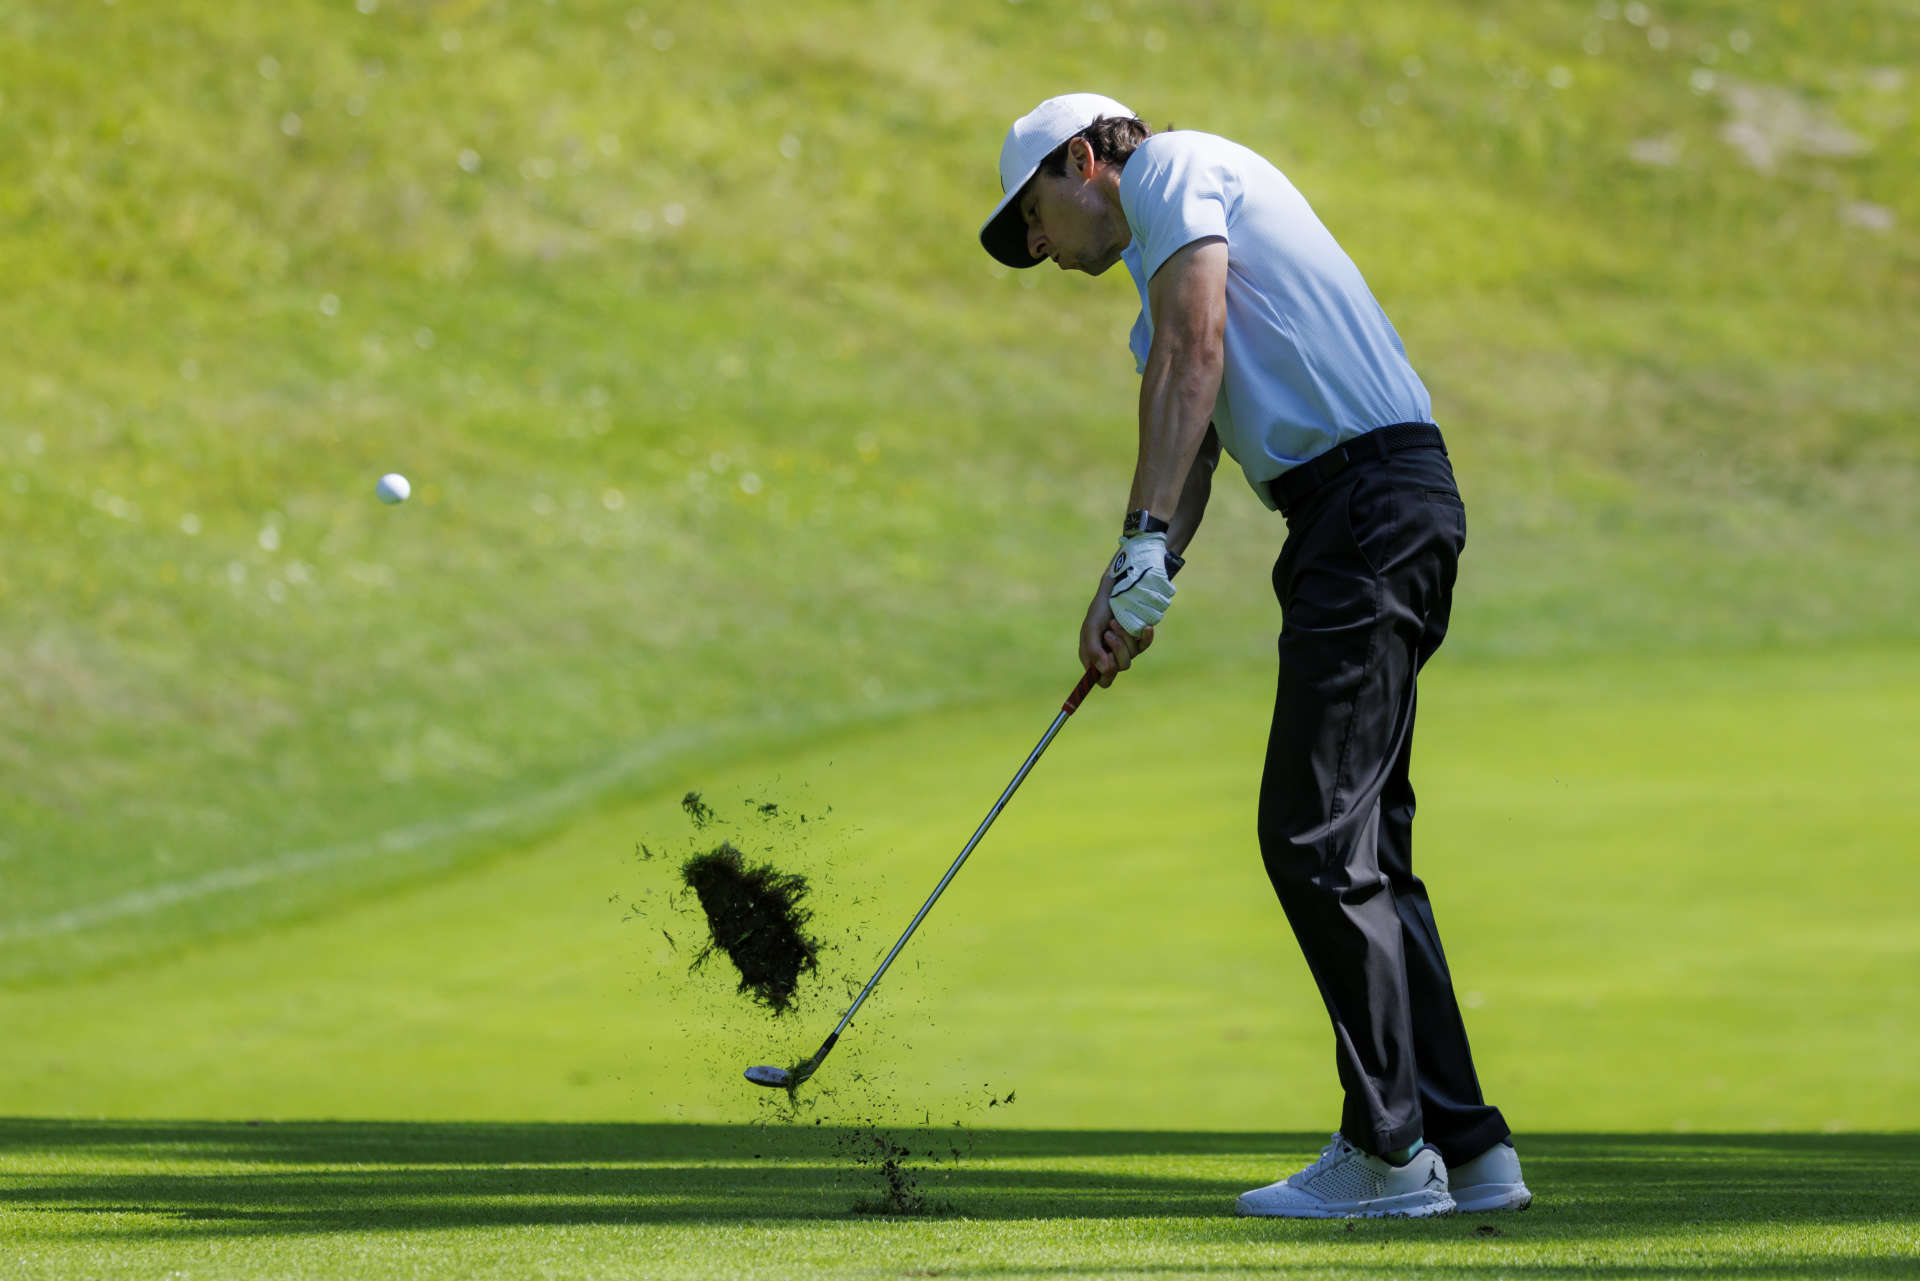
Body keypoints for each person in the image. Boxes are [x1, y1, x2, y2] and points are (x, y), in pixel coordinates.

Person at [978, 94, 1532, 1219]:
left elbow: (1197, 352)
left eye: (1032, 215)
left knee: (1313, 832)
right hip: (1367, 515)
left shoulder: (1174, 169)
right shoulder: (1160, 275)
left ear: (1082, 159)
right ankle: (1467, 1151)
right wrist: (1129, 588)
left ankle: (1386, 1153)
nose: (1035, 247)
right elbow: (1189, 445)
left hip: (1369, 510)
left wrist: (1141, 549)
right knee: (1367, 841)